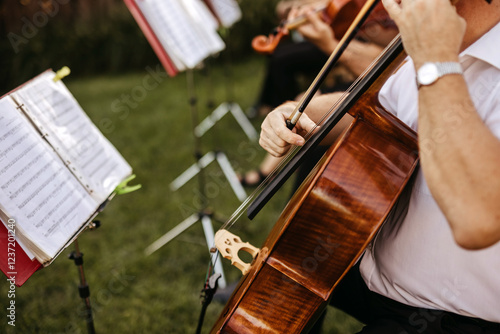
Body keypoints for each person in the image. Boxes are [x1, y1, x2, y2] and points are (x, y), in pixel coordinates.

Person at [259, 0, 500, 332]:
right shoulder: (432, 35)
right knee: (283, 272)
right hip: (374, 276)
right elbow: (377, 115)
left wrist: (435, 64)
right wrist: (300, 111)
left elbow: (479, 219)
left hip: (446, 316)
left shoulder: (436, 45)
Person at [241, 1, 397, 186]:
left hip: (379, 72)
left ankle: (267, 171)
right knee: (303, 108)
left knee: (315, 134)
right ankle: (269, 167)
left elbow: (393, 69)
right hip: (357, 49)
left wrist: (330, 43)